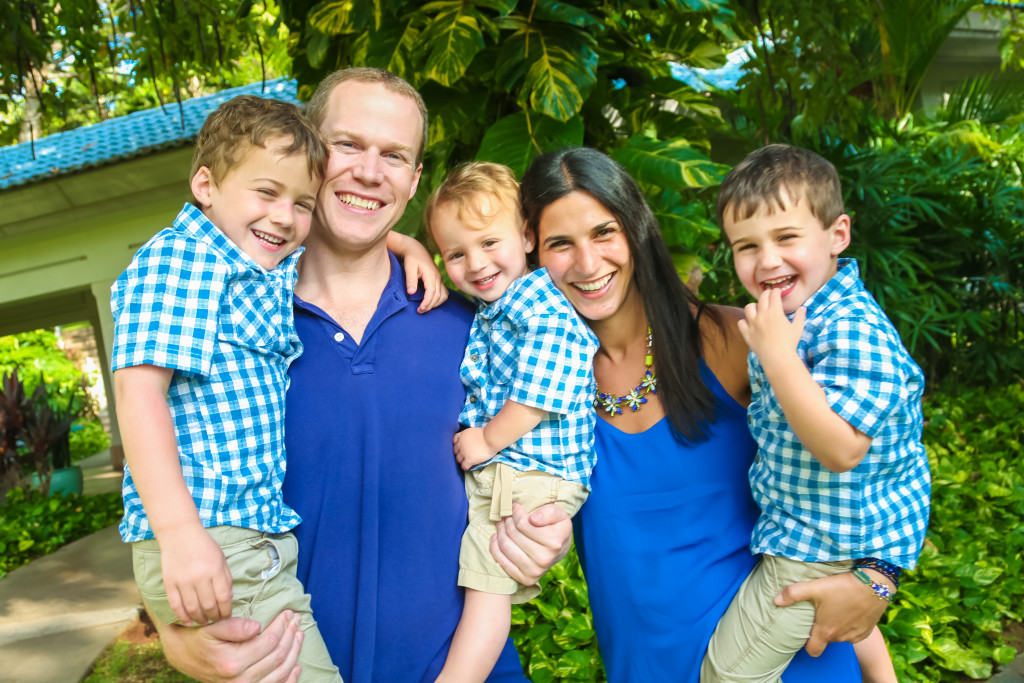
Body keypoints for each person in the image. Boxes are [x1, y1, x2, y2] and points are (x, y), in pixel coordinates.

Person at [151, 68, 573, 683]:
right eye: (348, 145)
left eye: (394, 155)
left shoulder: (476, 329)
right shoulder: (231, 320)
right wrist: (172, 633)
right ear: (309, 153)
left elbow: (539, 462)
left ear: (414, 180)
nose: (371, 172)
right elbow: (156, 486)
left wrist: (543, 532)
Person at [519, 146, 891, 682]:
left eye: (604, 233)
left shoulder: (737, 340)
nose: (587, 263)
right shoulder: (531, 387)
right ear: (533, 250)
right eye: (560, 244)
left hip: (789, 661)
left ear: (637, 230)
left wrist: (878, 580)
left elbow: (866, 457)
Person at [110, 95, 343, 682]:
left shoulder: (259, 260)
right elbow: (139, 397)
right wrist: (181, 535)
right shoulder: (183, 260)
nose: (285, 217)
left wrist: (404, 243)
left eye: (302, 204)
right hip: (210, 537)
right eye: (266, 193)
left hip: (248, 536)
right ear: (205, 185)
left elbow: (333, 245)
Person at [700, 144, 929, 683]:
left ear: (838, 235)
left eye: (786, 238)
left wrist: (777, 357)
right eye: (746, 246)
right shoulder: (801, 313)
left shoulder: (850, 329)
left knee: (727, 674)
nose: (767, 260)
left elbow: (843, 449)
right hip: (826, 530)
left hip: (820, 547)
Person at [422, 162, 598, 682]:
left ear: (526, 236)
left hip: (532, 472)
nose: (475, 263)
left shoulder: (543, 307)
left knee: (485, 590)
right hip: (515, 467)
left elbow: (538, 396)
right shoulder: (497, 307)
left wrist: (485, 440)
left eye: (488, 243)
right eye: (456, 254)